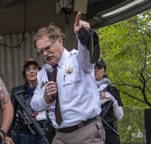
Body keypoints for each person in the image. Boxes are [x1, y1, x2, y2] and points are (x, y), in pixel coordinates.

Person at [30, 12, 105, 144]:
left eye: (47, 48)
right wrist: (45, 97)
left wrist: (83, 36)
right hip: (60, 135)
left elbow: (87, 56)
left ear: (60, 40)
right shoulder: (43, 73)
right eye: (41, 51)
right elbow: (34, 105)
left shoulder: (77, 60)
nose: (45, 54)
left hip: (86, 132)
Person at [10, 58, 54, 144]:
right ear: (25, 73)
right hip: (24, 135)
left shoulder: (46, 90)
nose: (31, 71)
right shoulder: (17, 92)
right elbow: (11, 114)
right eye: (28, 69)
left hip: (44, 133)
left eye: (34, 68)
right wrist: (8, 134)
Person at [94, 59, 124, 144]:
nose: (95, 70)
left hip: (109, 131)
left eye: (99, 67)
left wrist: (112, 100)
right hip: (91, 132)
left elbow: (120, 116)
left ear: (104, 71)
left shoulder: (112, 90)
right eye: (93, 68)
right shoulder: (85, 90)